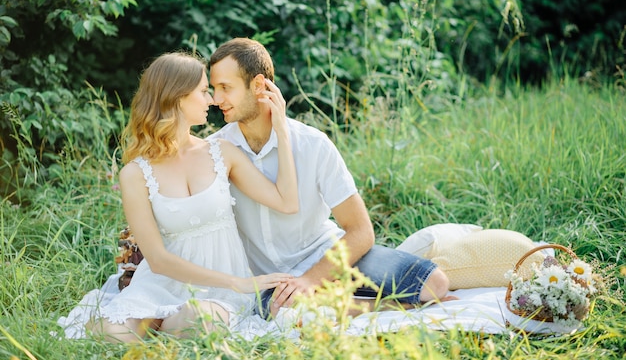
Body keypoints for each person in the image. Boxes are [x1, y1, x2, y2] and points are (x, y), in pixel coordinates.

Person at [208, 38, 453, 319]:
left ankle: (336, 297)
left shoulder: (312, 144)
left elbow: (360, 230)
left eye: (225, 88)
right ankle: (381, 307)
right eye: (214, 89)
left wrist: (312, 279)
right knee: (282, 310)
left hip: (327, 257)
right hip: (269, 281)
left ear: (259, 85)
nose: (216, 99)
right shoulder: (217, 151)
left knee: (434, 285)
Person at [86, 51, 298, 342]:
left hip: (219, 292)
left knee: (198, 321)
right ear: (177, 97)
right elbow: (158, 260)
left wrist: (281, 130)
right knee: (109, 333)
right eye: (203, 91)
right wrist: (238, 282)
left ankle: (162, 330)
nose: (211, 99)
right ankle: (154, 324)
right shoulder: (135, 174)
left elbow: (286, 201)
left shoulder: (221, 153)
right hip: (161, 283)